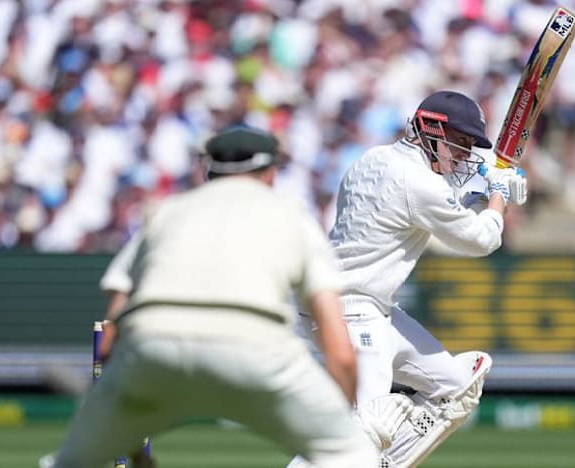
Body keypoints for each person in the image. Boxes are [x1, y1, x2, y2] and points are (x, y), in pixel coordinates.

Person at [47, 126, 380, 468]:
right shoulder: (291, 214)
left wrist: (129, 438)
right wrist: (341, 426)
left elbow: (110, 336)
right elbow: (338, 345)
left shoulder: (167, 212)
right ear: (269, 173)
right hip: (256, 346)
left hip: (153, 345)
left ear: (209, 170)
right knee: (353, 456)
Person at [290, 90, 527, 468]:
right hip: (351, 311)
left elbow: (428, 204)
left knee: (456, 386)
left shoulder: (372, 159)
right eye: (460, 143)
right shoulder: (419, 184)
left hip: (359, 305)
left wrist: (483, 192)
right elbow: (481, 239)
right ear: (431, 131)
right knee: (359, 435)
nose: (465, 154)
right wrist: (498, 198)